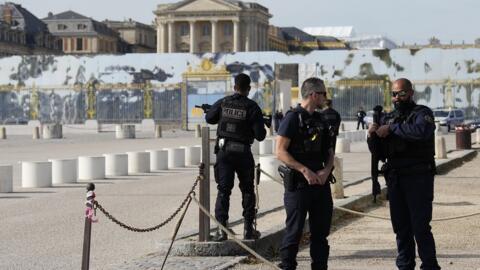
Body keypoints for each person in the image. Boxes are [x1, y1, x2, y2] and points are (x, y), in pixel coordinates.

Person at [367, 78, 441, 270]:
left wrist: (392, 129)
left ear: (410, 93)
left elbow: (420, 132)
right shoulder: (388, 118)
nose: (397, 98)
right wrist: (372, 135)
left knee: (420, 228)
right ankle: (405, 266)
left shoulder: (422, 114)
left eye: (401, 93)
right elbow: (380, 152)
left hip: (418, 179)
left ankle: (430, 266)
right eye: (394, 94)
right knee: (401, 229)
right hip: (396, 179)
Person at [276, 77, 335, 270]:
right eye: (323, 94)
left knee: (320, 235)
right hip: (299, 186)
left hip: (320, 185)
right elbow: (280, 151)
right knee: (294, 233)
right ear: (313, 94)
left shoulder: (321, 119)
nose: (326, 98)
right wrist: (304, 170)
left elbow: (330, 152)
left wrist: (326, 171)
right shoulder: (293, 118)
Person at [205, 73, 266, 241]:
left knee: (223, 191)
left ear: (234, 87)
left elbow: (209, 118)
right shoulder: (252, 107)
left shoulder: (223, 102)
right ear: (249, 89)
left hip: (224, 153)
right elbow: (260, 136)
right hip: (243, 154)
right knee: (247, 190)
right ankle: (248, 230)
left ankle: (221, 230)